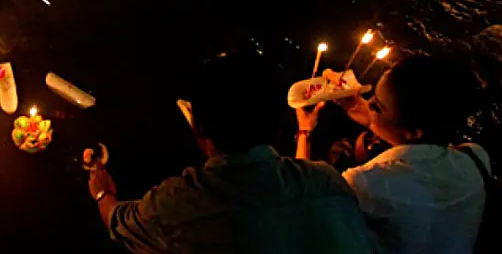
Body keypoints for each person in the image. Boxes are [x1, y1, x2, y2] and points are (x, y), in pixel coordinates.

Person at [89, 52, 374, 253]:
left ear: (198, 128)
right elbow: (287, 192)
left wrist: (102, 192)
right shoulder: (327, 182)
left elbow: (118, 222)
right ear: (277, 126)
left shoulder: (180, 204)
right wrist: (305, 133)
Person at [296, 54, 491, 254]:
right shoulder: (475, 158)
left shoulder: (369, 183)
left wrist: (304, 132)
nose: (368, 104)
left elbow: (298, 203)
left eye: (378, 106)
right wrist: (372, 119)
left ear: (414, 131)